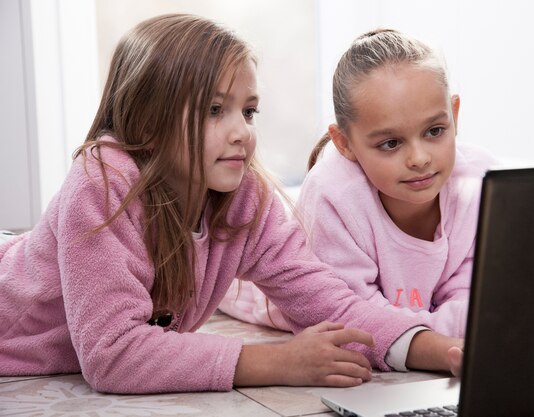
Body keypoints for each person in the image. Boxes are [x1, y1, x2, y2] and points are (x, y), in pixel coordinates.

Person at [0, 15, 462, 395]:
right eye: (214, 110)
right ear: (147, 120)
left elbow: (333, 304)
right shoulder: (101, 182)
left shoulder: (242, 199)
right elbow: (113, 354)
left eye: (248, 110)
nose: (242, 130)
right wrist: (277, 361)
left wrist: (444, 350)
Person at [220, 28, 496, 365]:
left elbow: (477, 297)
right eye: (391, 143)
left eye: (435, 131)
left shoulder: (480, 183)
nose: (420, 157)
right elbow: (350, 320)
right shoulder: (334, 194)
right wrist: (435, 344)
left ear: (454, 114)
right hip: (253, 293)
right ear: (344, 143)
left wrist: (437, 337)